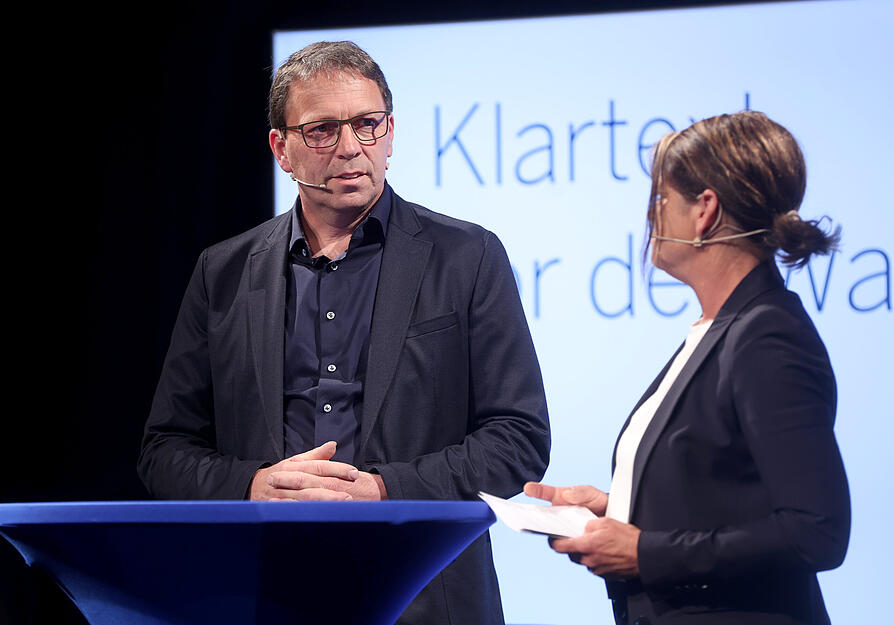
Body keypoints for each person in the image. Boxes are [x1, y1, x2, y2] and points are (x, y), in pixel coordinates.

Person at [138, 41, 550, 625]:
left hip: (426, 598)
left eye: (367, 124)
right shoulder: (222, 272)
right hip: (264, 591)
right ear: (281, 149)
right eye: (323, 130)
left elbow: (518, 439)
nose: (352, 147)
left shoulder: (468, 257)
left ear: (390, 133)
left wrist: (384, 490)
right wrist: (252, 485)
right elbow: (165, 450)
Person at [526, 111, 850, 625]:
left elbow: (816, 531)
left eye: (661, 198)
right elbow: (720, 491)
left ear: (705, 211)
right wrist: (619, 510)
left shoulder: (768, 335)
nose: (651, 216)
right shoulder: (722, 329)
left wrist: (646, 553)